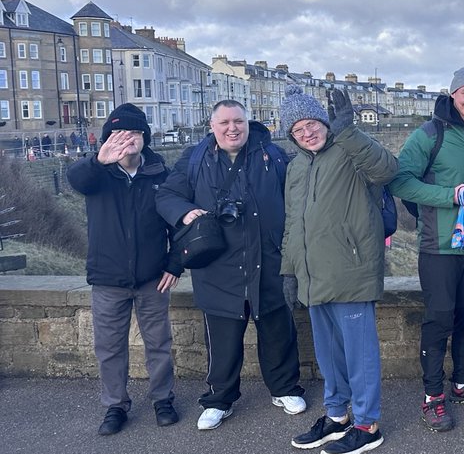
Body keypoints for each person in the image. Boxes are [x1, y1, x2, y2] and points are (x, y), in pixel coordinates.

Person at [156, 100, 306, 430]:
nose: (231, 128)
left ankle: (284, 388)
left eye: (238, 121)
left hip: (268, 261)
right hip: (218, 265)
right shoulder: (195, 159)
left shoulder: (273, 156)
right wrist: (185, 211)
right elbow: (166, 195)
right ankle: (219, 398)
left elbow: (298, 196)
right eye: (224, 123)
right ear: (212, 126)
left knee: (277, 329)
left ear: (248, 123)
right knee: (222, 335)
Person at [280, 85, 398, 454]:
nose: (307, 132)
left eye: (312, 123)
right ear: (291, 136)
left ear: (325, 123)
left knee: (359, 353)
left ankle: (367, 424)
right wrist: (289, 270)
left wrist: (349, 131)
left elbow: (387, 169)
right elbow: (292, 225)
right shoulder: (296, 166)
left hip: (351, 269)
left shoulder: (348, 150)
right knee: (329, 354)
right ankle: (336, 415)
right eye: (298, 129)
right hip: (314, 275)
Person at [390, 67, 464, 431]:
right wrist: (449, 197)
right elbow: (402, 182)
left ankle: (462, 382)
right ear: (453, 94)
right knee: (439, 320)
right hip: (438, 246)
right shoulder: (429, 133)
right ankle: (432, 397)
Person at [67, 104, 181, 435]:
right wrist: (98, 160)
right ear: (106, 140)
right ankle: (116, 406)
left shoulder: (161, 173)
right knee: (109, 347)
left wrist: (175, 263)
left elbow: (176, 222)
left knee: (158, 343)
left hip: (152, 277)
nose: (127, 139)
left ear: (144, 137)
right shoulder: (96, 174)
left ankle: (163, 399)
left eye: (133, 132)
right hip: (107, 279)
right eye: (118, 134)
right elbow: (75, 178)